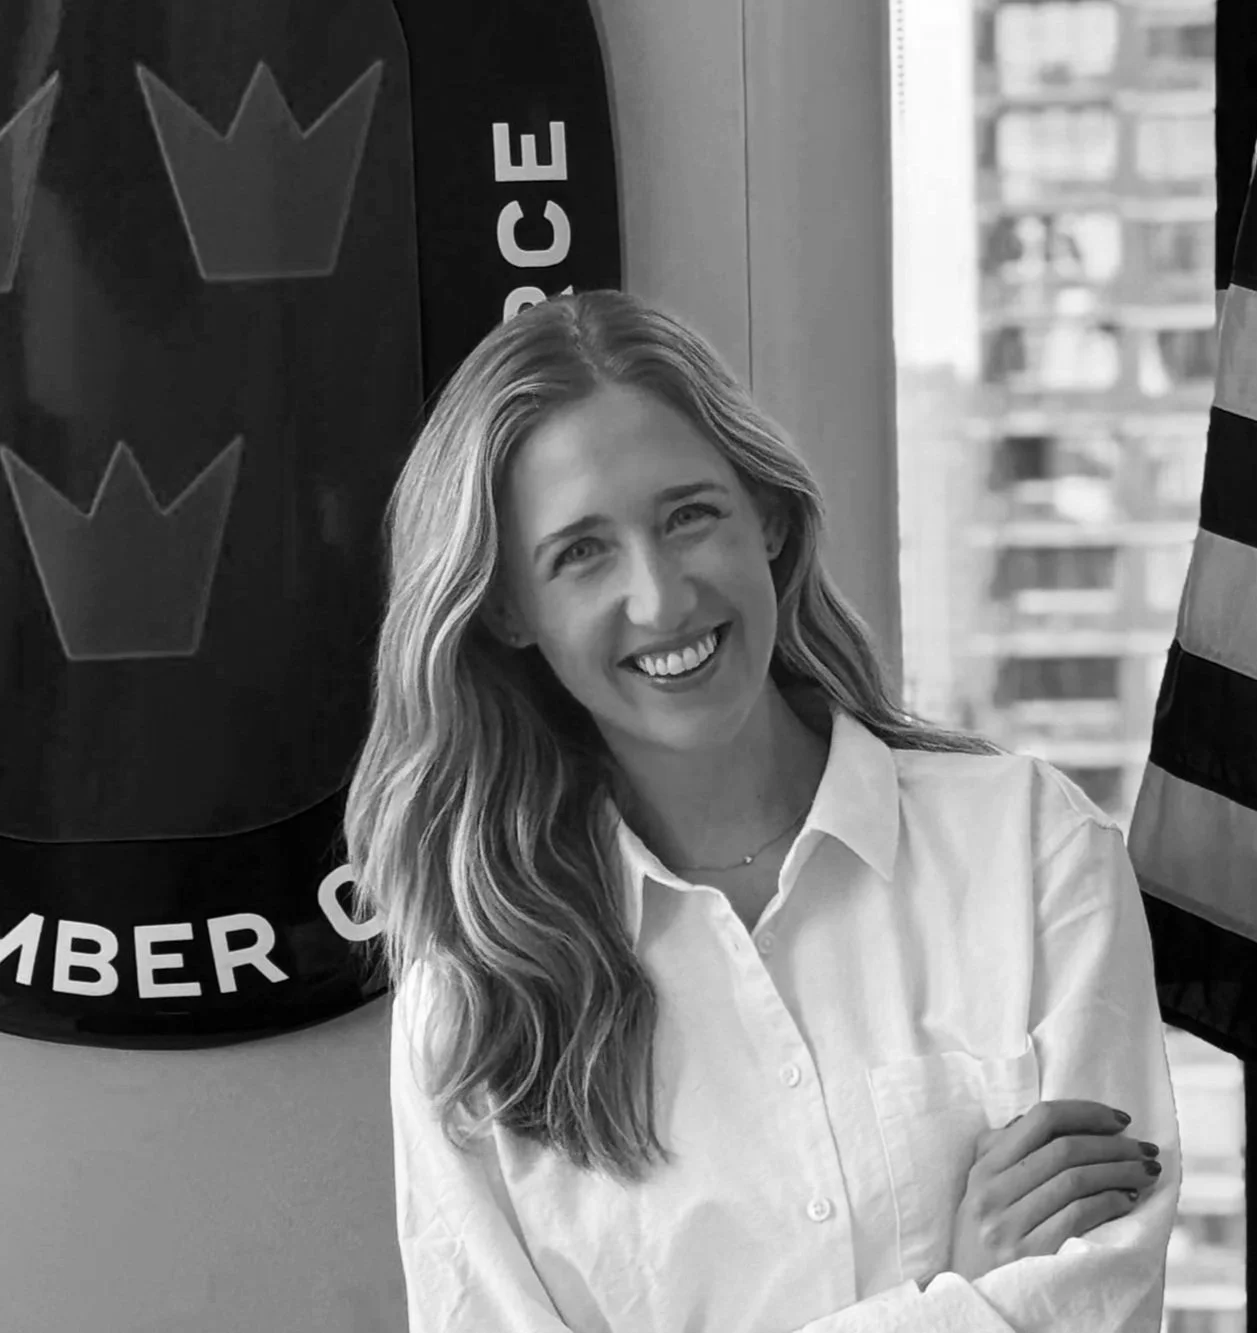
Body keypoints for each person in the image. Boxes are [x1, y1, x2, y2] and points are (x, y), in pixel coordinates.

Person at [343, 290, 1181, 1332]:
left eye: (688, 515)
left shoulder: (1030, 848)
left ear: (769, 521)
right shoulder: (470, 1005)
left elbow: (1100, 1301)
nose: (661, 598)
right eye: (581, 553)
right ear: (509, 608)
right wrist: (960, 1304)